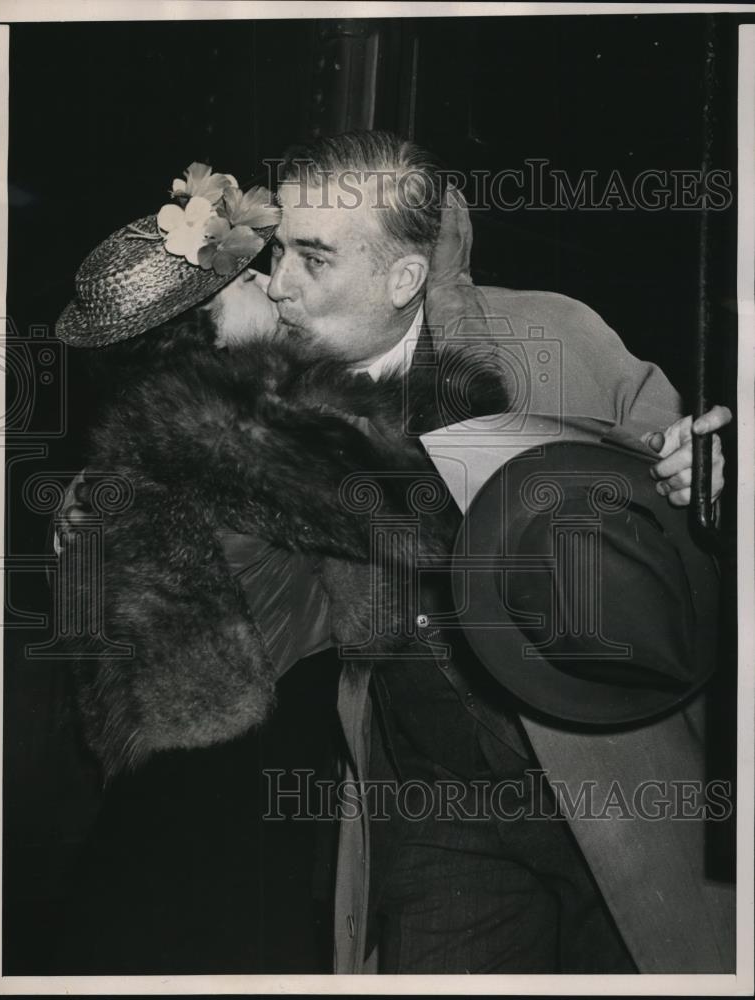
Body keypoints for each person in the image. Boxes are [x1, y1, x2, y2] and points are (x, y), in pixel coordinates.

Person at [56, 134, 733, 975]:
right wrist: (121, 497)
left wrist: (708, 474)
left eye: (313, 258)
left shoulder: (550, 338)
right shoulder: (269, 403)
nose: (280, 284)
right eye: (277, 253)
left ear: (402, 277)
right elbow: (225, 607)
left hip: (605, 780)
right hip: (429, 798)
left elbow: (681, 467)